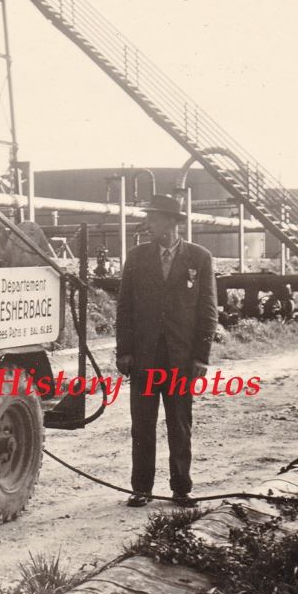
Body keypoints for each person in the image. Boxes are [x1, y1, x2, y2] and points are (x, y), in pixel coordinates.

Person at [115, 194, 217, 508]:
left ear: (172, 223)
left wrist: (201, 356)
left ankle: (181, 488)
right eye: (150, 219)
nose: (150, 225)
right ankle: (141, 488)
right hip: (144, 358)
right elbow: (125, 308)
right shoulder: (137, 257)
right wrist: (125, 352)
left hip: (181, 358)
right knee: (142, 426)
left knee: (179, 423)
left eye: (156, 219)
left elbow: (208, 310)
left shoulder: (199, 258)